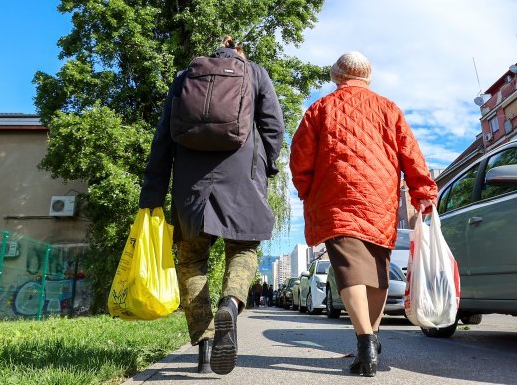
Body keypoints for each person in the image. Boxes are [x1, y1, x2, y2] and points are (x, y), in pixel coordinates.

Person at [139, 36, 284, 375]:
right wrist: (268, 166)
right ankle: (230, 305)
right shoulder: (255, 73)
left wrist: (153, 196)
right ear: (239, 53)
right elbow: (273, 127)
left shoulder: (184, 76)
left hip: (191, 184)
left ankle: (203, 351)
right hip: (243, 176)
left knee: (192, 258)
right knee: (244, 249)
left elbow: (162, 138)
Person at [290, 51, 438, 377]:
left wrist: (306, 190)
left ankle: (365, 341)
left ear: (337, 76)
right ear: (367, 76)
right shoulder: (389, 108)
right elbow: (411, 154)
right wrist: (423, 192)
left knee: (348, 269)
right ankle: (372, 338)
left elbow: (300, 158)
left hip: (334, 197)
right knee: (377, 270)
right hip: (380, 198)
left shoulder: (319, 109)